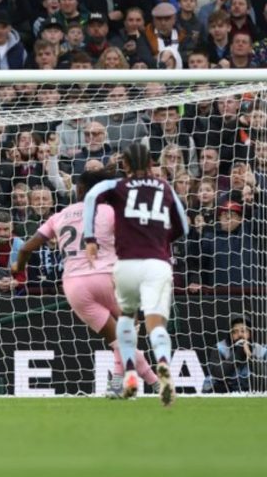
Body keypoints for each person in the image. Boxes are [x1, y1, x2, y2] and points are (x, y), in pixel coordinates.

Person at [15, 170, 159, 398]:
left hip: (75, 287)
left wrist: (18, 268)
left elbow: (25, 248)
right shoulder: (111, 211)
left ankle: (119, 385)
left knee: (117, 341)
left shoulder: (60, 215)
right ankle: (156, 383)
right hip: (110, 279)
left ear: (79, 190)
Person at [83, 143, 188, 406]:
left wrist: (90, 238)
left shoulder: (117, 186)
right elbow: (183, 225)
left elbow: (91, 195)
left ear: (125, 165)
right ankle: (163, 368)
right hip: (158, 263)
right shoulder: (165, 187)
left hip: (127, 263)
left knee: (126, 320)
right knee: (156, 324)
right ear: (152, 162)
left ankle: (130, 375)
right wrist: (163, 240)